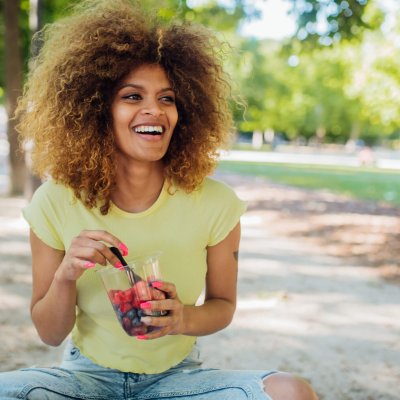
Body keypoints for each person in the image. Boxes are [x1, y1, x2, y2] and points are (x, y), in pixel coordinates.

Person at [0, 1, 318, 399]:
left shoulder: (215, 204)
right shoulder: (55, 201)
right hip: (86, 379)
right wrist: (67, 272)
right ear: (98, 110)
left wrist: (181, 317)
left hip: (177, 380)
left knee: (291, 391)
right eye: (132, 96)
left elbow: (223, 305)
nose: (154, 109)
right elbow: (49, 333)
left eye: (167, 98)